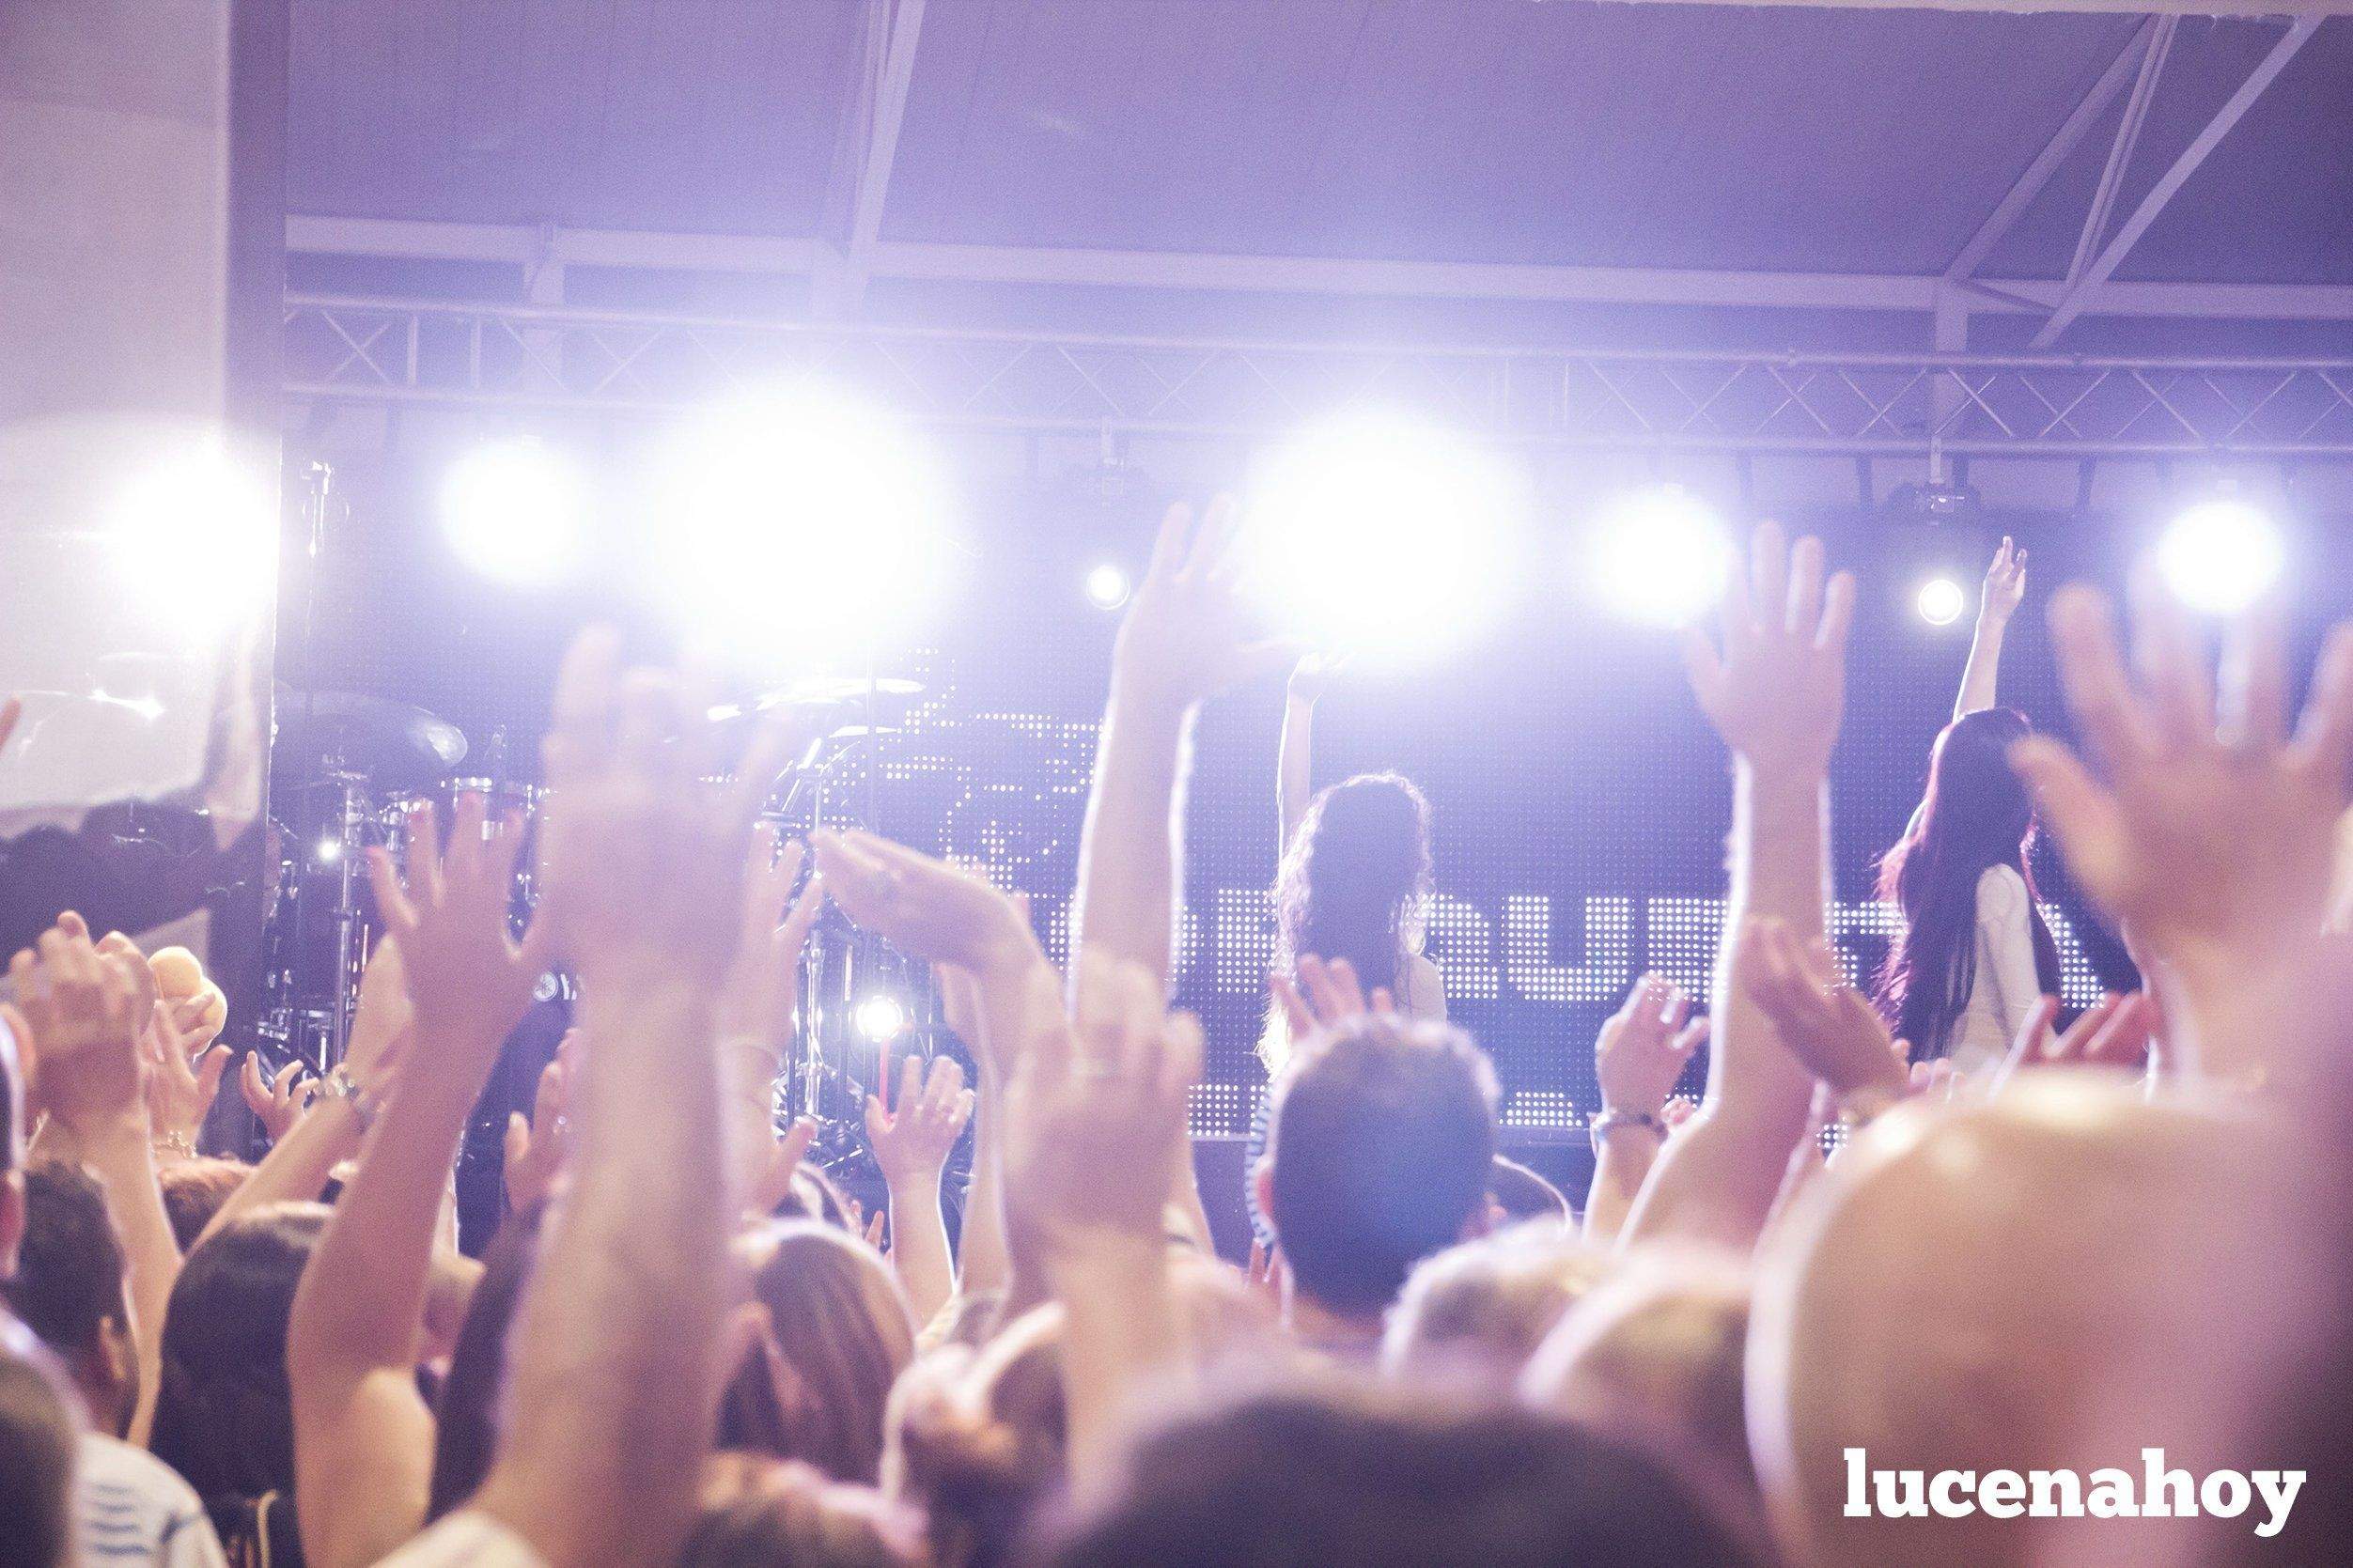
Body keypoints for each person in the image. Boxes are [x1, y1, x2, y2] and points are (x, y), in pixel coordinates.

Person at [1873, 538, 2060, 1075]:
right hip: (1993, 1115)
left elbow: (1964, 748)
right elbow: (2029, 1024)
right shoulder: (1998, 881)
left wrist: (1993, 623)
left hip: (1933, 1095)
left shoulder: (1925, 866)